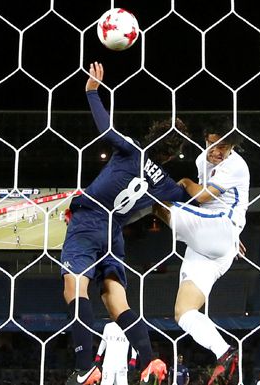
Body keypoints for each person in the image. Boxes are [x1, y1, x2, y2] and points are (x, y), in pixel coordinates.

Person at [62, 62, 190, 385]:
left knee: (74, 289)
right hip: (114, 234)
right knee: (116, 301)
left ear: (152, 136)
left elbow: (105, 129)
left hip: (89, 219)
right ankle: (149, 361)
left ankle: (84, 367)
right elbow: (187, 194)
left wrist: (92, 92)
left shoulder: (132, 150)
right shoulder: (165, 184)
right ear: (171, 155)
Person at [152, 118, 249, 385]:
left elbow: (204, 197)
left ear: (232, 148)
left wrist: (183, 182)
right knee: (184, 313)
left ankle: (105, 217)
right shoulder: (201, 161)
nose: (217, 151)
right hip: (212, 243)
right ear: (206, 138)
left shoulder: (236, 166)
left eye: (224, 147)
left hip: (219, 229)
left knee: (156, 202)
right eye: (213, 144)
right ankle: (225, 354)